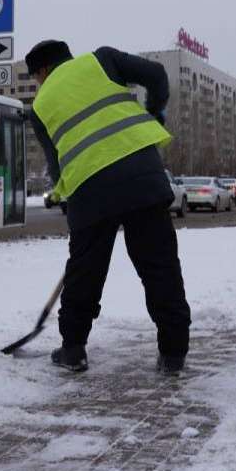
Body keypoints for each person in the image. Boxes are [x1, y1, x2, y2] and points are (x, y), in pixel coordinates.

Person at [26, 39, 191, 375]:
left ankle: (73, 349)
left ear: (42, 71)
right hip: (142, 175)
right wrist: (154, 113)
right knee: (159, 267)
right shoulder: (102, 60)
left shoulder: (39, 107)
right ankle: (173, 353)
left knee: (84, 272)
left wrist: (68, 198)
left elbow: (56, 163)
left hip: (89, 189)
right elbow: (157, 75)